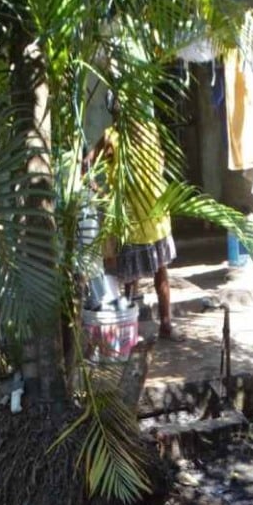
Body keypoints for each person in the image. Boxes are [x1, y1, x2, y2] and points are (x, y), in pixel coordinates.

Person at [88, 100, 181, 341]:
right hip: (132, 219)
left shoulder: (149, 130)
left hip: (154, 216)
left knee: (157, 272)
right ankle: (131, 331)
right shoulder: (113, 137)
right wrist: (103, 194)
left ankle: (165, 325)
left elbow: (159, 160)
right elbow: (87, 163)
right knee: (131, 277)